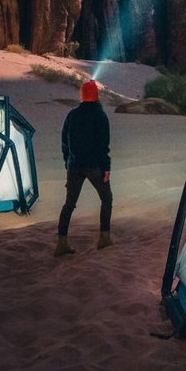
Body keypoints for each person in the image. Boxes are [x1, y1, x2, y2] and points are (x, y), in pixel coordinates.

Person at [56, 79, 112, 255]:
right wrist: (106, 168)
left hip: (74, 166)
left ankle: (61, 243)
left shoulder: (72, 115)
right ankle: (104, 238)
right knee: (107, 199)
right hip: (94, 166)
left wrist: (68, 162)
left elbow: (64, 141)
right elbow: (103, 145)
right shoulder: (100, 115)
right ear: (96, 96)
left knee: (69, 204)